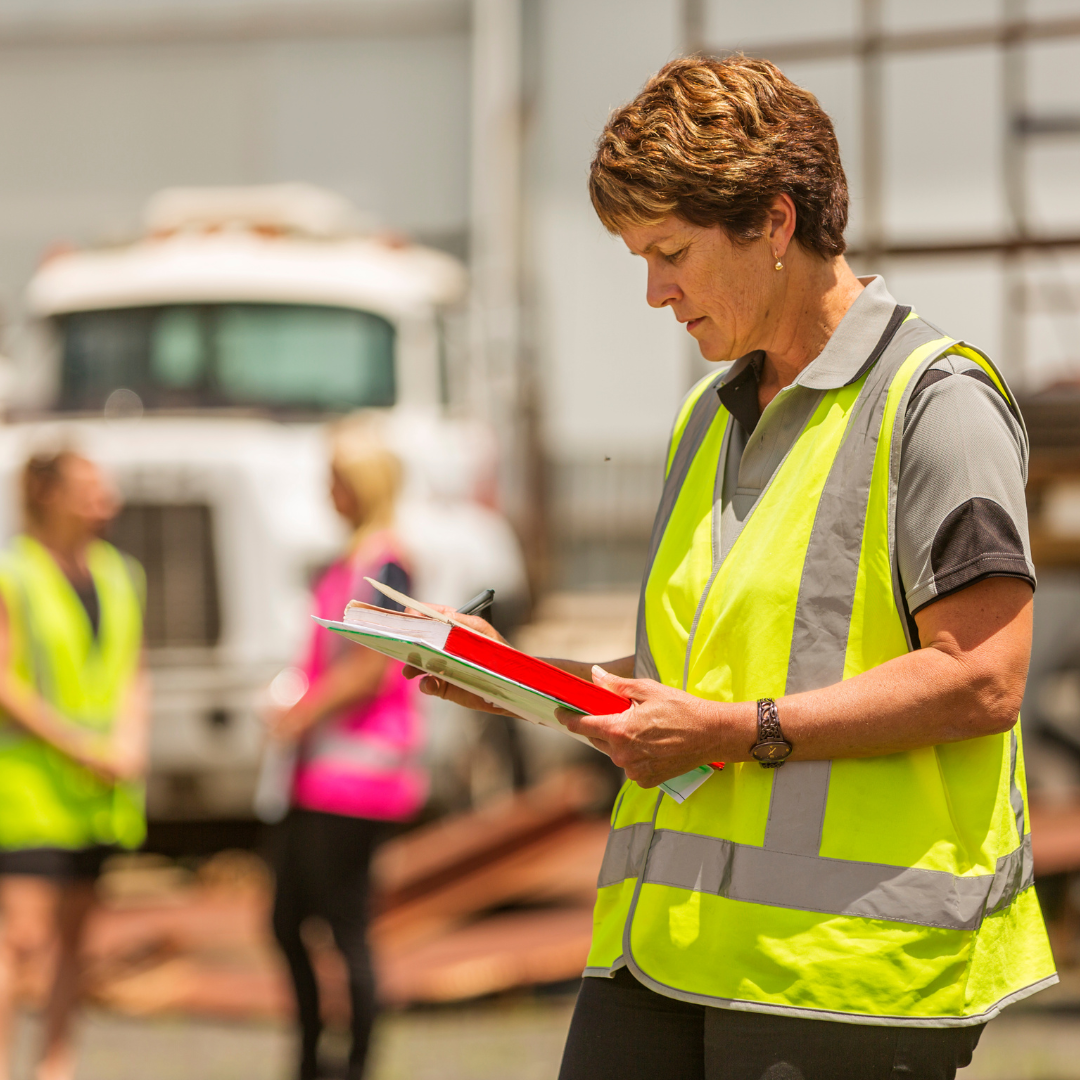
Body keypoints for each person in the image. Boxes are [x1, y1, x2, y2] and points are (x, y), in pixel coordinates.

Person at [413, 56, 1057, 1080]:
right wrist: (523, 678)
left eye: (670, 252)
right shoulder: (708, 419)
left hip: (847, 970)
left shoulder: (937, 404)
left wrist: (732, 733)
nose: (654, 292)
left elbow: (983, 677)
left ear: (774, 221)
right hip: (661, 950)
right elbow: (702, 672)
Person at [266, 420, 426, 1080]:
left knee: (345, 927)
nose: (328, 491)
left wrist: (302, 712)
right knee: (288, 921)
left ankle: (351, 1064)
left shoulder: (384, 561)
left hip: (356, 777)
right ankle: (313, 1058)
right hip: (318, 772)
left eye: (337, 478)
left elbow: (370, 665)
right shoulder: (353, 558)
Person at [0, 451, 148, 1080]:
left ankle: (56, 1067)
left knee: (75, 944)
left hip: (100, 792)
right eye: (89, 487)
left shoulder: (120, 573)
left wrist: (131, 745)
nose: (106, 497)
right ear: (47, 495)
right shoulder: (14, 572)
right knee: (21, 940)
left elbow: (132, 672)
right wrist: (80, 746)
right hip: (32, 787)